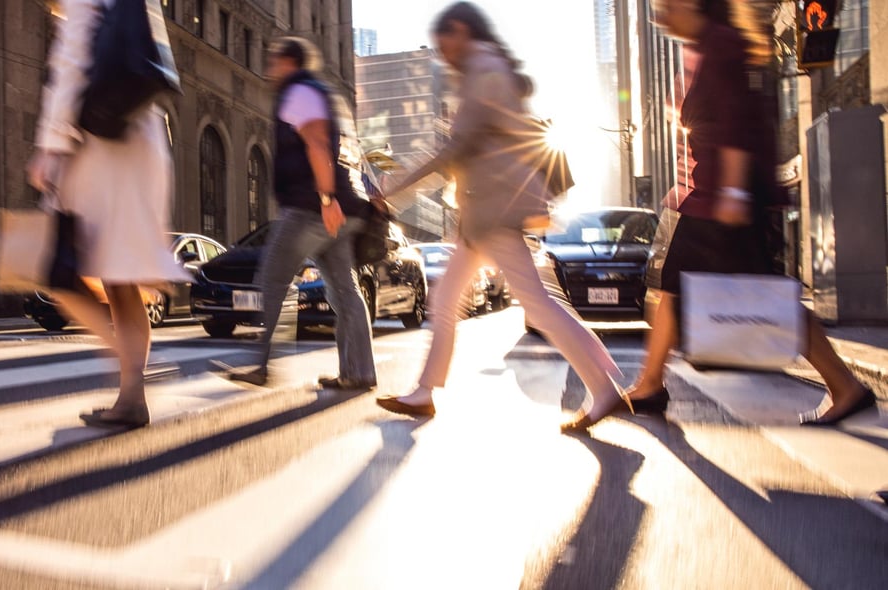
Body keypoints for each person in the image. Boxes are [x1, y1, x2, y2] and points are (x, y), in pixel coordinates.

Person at [617, 0, 876, 427]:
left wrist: (734, 191)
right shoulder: (702, 46)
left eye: (668, 6)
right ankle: (650, 383)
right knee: (681, 286)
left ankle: (650, 384)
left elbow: (735, 121)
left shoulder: (721, 43)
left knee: (722, 289)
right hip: (712, 195)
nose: (659, 15)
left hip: (727, 198)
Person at [374, 2, 628, 432]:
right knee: (447, 300)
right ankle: (424, 392)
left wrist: (392, 189)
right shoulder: (483, 70)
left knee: (537, 305)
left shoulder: (484, 70)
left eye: (443, 43)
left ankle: (604, 387)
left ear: (460, 31)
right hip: (481, 214)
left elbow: (456, 149)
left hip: (496, 215)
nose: (442, 54)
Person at [27, 0, 188, 428]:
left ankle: (130, 371)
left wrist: (50, 146)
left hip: (101, 149)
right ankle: (131, 394)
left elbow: (73, 60)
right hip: (140, 138)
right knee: (119, 282)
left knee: (59, 274)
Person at [228, 37, 377, 391]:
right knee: (345, 292)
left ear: (289, 62)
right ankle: (359, 372)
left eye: (274, 60)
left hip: (312, 207)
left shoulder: (300, 91)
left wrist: (326, 199)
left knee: (272, 279)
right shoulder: (321, 92)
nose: (270, 67)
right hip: (340, 206)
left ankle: (262, 366)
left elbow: (317, 143)